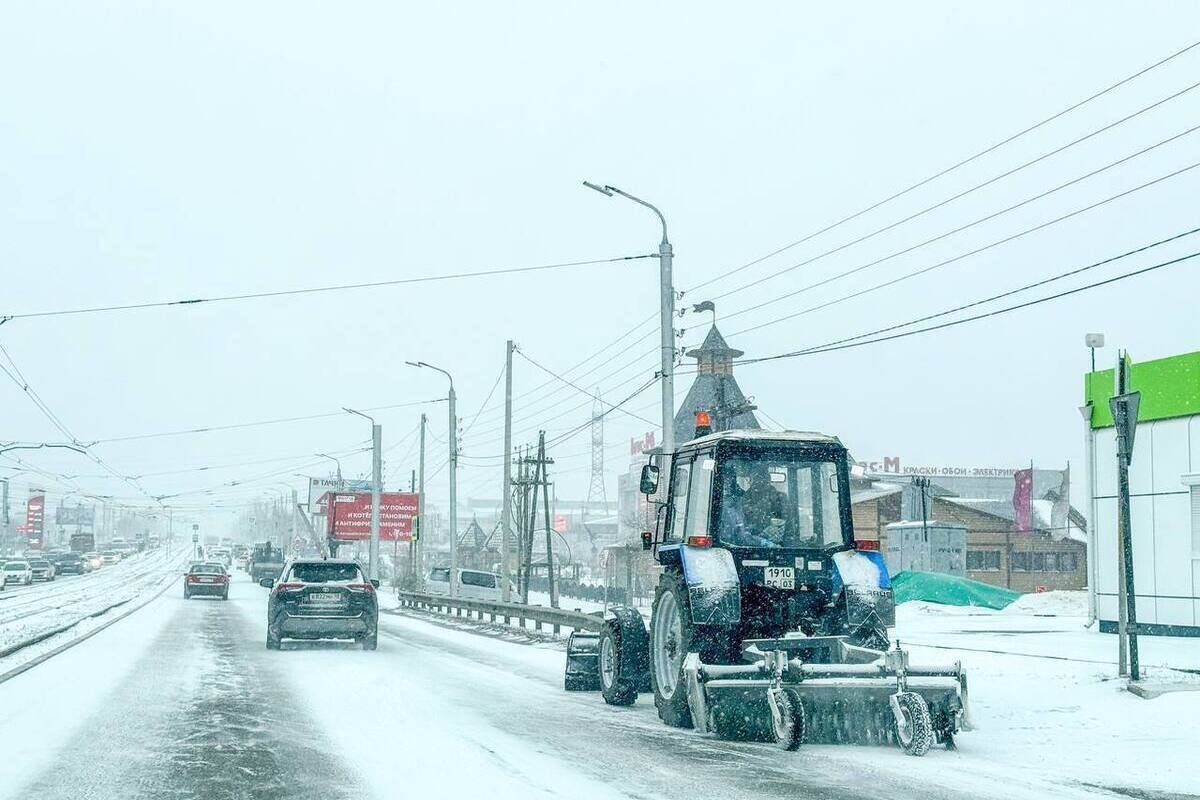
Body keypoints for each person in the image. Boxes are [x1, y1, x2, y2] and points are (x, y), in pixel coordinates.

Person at [717, 460, 788, 547]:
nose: (759, 482)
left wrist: (766, 533)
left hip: (776, 547)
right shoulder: (737, 502)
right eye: (756, 478)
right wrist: (761, 539)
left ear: (768, 479)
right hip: (741, 548)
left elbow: (787, 525)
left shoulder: (779, 498)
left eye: (762, 477)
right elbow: (741, 533)